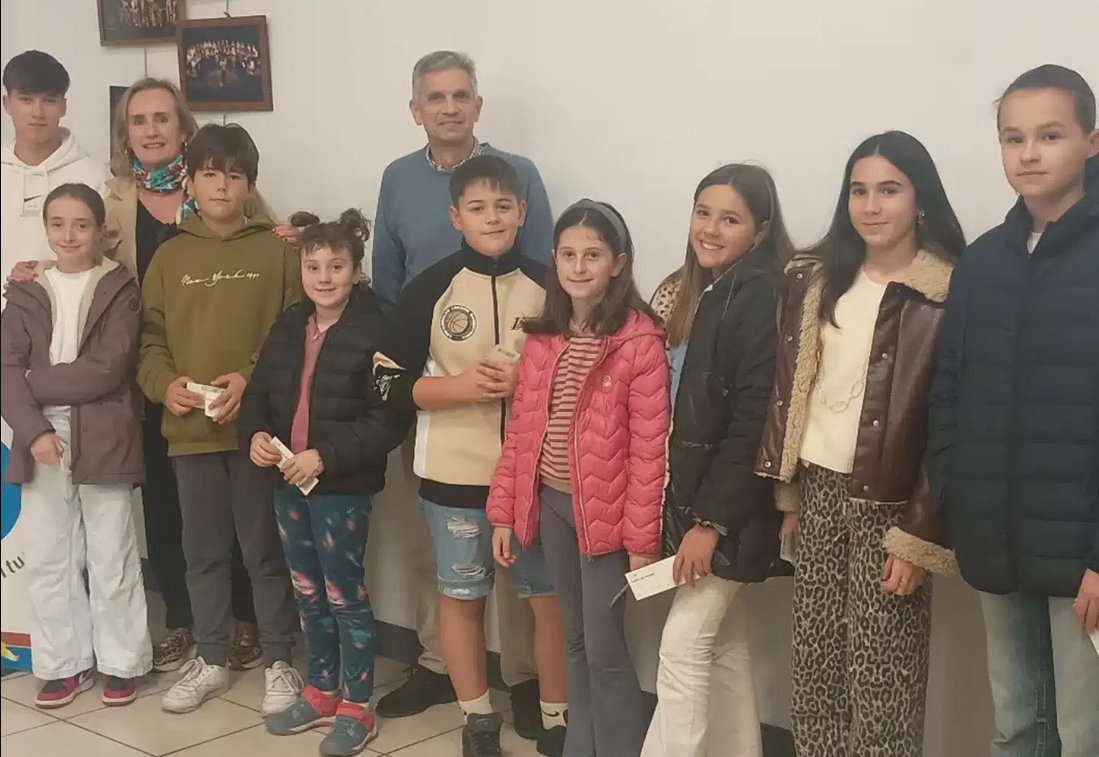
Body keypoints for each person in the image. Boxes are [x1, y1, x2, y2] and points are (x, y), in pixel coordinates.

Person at [6, 77, 297, 673]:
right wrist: (35, 269)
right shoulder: (112, 196)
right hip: (145, 373)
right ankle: (187, 622)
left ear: (183, 128)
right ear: (125, 133)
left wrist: (299, 234)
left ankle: (247, 623)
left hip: (232, 384)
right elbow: (79, 253)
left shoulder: (229, 189)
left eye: (162, 118)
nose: (151, 130)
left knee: (245, 518)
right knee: (168, 507)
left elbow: (276, 255)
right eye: (138, 121)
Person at [753, 133, 966, 757]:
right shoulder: (818, 280)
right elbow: (795, 391)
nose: (871, 206)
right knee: (815, 665)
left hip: (892, 504)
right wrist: (791, 497)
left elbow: (950, 426)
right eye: (859, 190)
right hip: (819, 490)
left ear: (920, 201)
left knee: (883, 678)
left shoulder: (946, 293)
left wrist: (919, 534)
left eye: (889, 190)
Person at [370, 50, 552, 739]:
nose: (449, 107)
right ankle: (453, 683)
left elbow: (554, 296)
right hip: (446, 430)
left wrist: (526, 377)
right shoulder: (399, 183)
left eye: (460, 95)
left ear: (477, 104)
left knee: (533, 585)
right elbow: (387, 305)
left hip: (529, 450)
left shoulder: (521, 182)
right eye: (435, 97)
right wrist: (441, 382)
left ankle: (532, 689)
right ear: (416, 109)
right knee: (452, 575)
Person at [928, 65, 1099, 757]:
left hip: (1082, 552)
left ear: (1091, 142)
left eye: (1049, 136)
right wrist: (955, 492)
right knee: (1015, 727)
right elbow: (948, 388)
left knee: (1083, 734)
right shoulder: (981, 262)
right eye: (1013, 138)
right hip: (995, 535)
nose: (1028, 154)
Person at [487, 199, 669, 757]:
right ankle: (580, 746)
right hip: (553, 507)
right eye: (567, 255)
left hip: (606, 523)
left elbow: (650, 451)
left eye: (593, 255)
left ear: (619, 264)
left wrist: (641, 541)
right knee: (574, 639)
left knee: (605, 649)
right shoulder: (545, 337)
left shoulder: (640, 342)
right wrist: (503, 512)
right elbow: (521, 432)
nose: (579, 266)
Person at [137, 123, 301, 716]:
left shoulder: (278, 252)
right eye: (210, 174)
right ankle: (210, 657)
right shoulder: (169, 255)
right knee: (201, 552)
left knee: (262, 550)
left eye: (234, 176)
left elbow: (295, 337)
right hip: (191, 433)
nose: (222, 187)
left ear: (250, 185)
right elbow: (149, 341)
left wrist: (249, 380)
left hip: (257, 431)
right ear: (191, 181)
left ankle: (279, 659)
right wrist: (165, 386)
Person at [240, 210, 407, 756]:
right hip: (287, 482)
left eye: (337, 266)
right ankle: (321, 691)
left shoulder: (378, 329)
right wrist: (256, 434)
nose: (325, 277)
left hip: (341, 488)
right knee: (307, 592)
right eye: (313, 266)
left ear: (357, 270)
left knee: (344, 595)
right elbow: (259, 393)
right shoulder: (290, 324)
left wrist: (324, 457)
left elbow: (388, 419)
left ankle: (358, 705)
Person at [641, 164, 791, 757]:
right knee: (723, 648)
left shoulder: (757, 294)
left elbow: (754, 424)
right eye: (703, 213)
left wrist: (710, 523)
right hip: (708, 504)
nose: (710, 228)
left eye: (730, 219)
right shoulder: (711, 292)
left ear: (760, 230)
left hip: (728, 512)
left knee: (681, 648)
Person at [1, 183, 150, 709]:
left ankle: (121, 663)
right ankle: (63, 665)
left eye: (81, 225)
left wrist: (32, 380)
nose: (69, 235)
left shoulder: (120, 287)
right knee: (49, 555)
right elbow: (4, 370)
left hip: (106, 433)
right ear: (46, 229)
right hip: (40, 436)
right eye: (58, 224)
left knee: (112, 554)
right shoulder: (26, 291)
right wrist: (36, 430)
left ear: (100, 231)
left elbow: (107, 369)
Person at [2, 51, 107, 275]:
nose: (38, 112)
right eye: (26, 99)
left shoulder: (96, 178)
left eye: (49, 101)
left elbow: (105, 263)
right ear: (7, 104)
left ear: (63, 106)